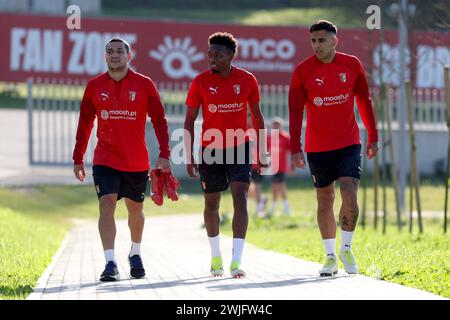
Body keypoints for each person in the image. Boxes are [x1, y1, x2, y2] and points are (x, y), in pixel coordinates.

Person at [72, 38, 171, 282]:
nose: (115, 55)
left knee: (135, 209)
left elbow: (159, 120)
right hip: (105, 158)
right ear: (105, 57)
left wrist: (165, 154)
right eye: (110, 52)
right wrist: (78, 157)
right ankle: (110, 262)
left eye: (120, 51)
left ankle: (135, 253)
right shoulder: (94, 86)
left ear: (129, 56)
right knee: (106, 203)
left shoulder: (145, 84)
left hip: (136, 161)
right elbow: (85, 123)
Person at [288, 20, 378, 276]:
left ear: (334, 41)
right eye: (313, 41)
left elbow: (364, 100)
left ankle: (346, 248)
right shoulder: (302, 71)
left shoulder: (351, 65)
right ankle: (329, 256)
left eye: (322, 40)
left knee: (349, 191)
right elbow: (295, 111)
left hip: (349, 142)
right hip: (318, 147)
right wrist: (296, 147)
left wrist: (373, 135)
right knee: (324, 199)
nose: (317, 45)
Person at [184, 32, 269, 278]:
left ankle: (236, 260)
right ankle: (215, 256)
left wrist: (262, 152)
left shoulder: (247, 80)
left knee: (240, 196)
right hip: (210, 149)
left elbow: (257, 117)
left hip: (239, 147)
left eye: (218, 55)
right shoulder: (199, 82)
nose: (212, 58)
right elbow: (189, 121)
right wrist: (190, 157)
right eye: (210, 54)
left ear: (231, 56)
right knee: (212, 204)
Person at [266, 117, 294, 216]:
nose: (276, 126)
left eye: (278, 124)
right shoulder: (269, 138)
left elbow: (292, 152)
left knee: (280, 185)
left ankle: (285, 207)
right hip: (272, 167)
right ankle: (274, 206)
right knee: (274, 186)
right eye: (274, 125)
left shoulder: (285, 137)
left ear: (281, 126)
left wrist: (292, 166)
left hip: (281, 166)